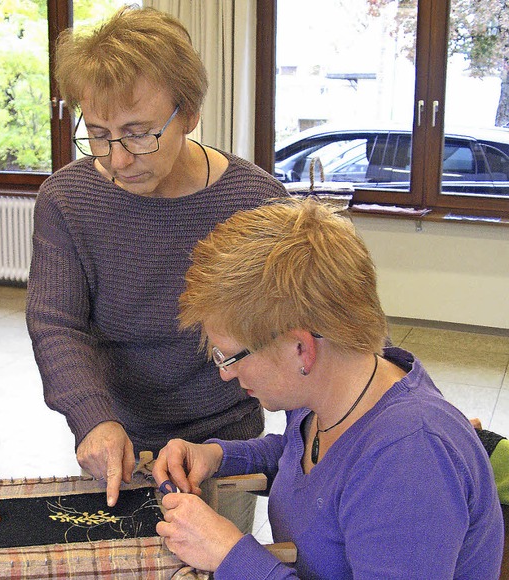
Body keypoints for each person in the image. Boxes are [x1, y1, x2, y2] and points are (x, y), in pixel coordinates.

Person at [153, 198, 503, 579]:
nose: (225, 374)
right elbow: (307, 460)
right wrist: (219, 457)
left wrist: (230, 554)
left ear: (300, 348)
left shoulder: (408, 460)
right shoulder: (331, 390)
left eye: (230, 357)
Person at [25, 4, 286, 509]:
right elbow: (56, 323)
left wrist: (395, 390)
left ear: (188, 113)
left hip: (221, 441)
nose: (119, 159)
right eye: (99, 134)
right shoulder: (66, 200)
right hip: (117, 434)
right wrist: (93, 419)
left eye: (140, 132)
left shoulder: (253, 199)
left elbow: (321, 311)